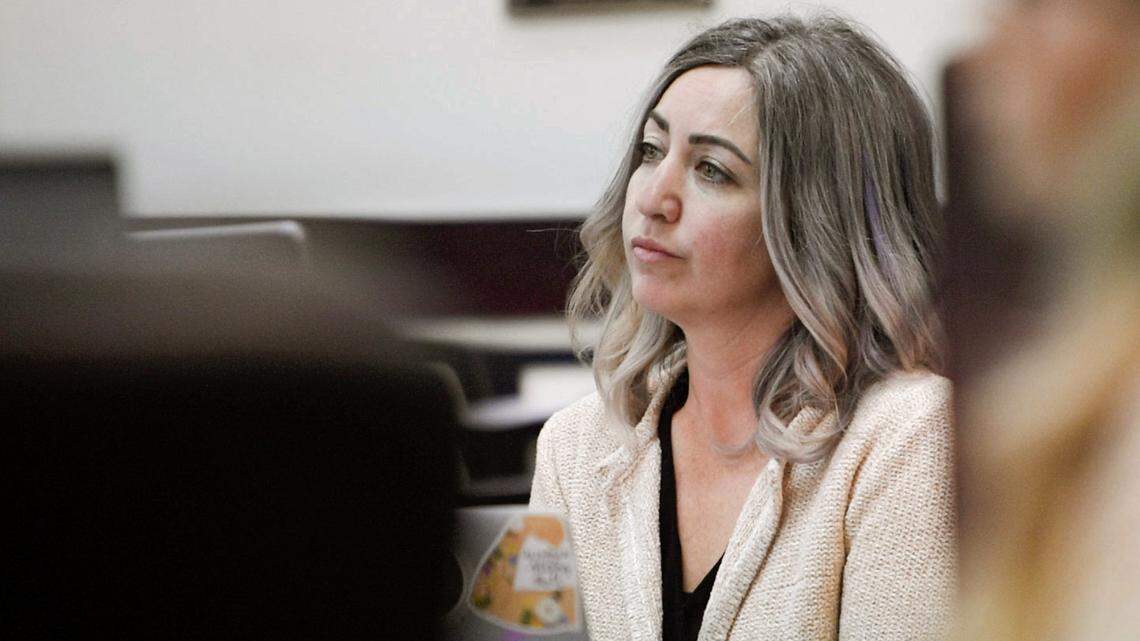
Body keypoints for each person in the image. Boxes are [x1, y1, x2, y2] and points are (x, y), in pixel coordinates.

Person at [529, 15, 955, 641]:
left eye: (712, 170)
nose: (653, 198)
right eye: (652, 151)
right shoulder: (574, 447)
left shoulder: (911, 438)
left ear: (817, 223)